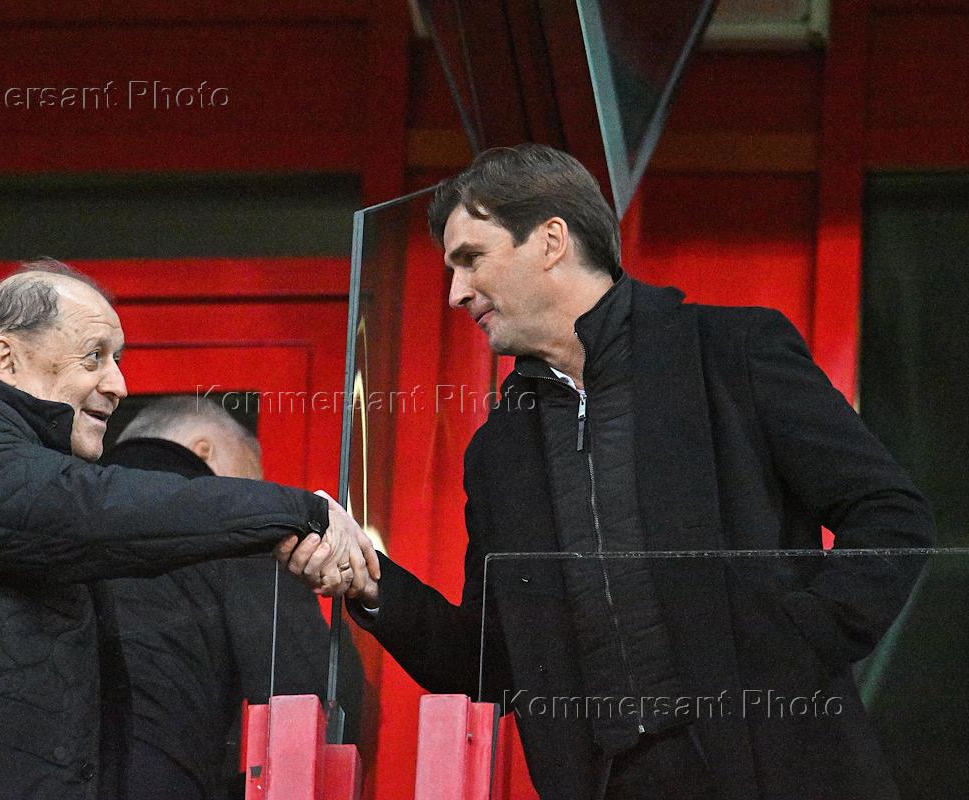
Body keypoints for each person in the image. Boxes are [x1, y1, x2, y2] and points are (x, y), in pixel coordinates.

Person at [335, 145, 934, 800]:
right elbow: (490, 662)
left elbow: (890, 514)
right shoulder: (499, 451)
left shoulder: (732, 352)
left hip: (779, 770)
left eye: (471, 258)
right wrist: (369, 581)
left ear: (551, 241)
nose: (456, 293)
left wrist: (796, 644)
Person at [0, 259, 376, 800]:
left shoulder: (30, 482)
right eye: (94, 357)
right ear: (5, 359)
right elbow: (89, 507)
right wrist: (296, 511)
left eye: (118, 360)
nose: (118, 384)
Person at [100, 396, 363, 799]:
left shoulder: (69, 513)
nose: (252, 494)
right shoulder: (231, 523)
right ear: (204, 450)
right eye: (251, 479)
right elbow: (310, 689)